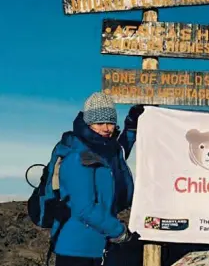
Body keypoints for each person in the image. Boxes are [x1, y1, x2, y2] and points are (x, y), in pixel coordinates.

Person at [49, 92, 144, 266]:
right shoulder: (77, 156)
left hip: (99, 245)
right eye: (100, 123)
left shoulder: (105, 150)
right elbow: (84, 209)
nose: (107, 128)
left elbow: (120, 151)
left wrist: (132, 125)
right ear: (88, 123)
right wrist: (120, 232)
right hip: (77, 250)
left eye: (110, 122)